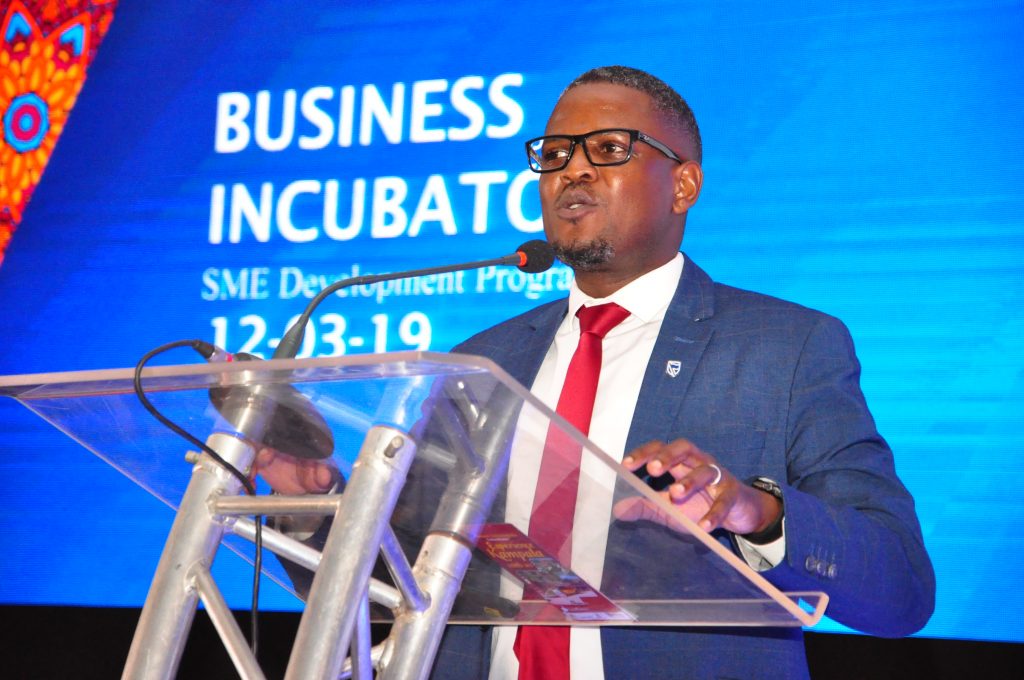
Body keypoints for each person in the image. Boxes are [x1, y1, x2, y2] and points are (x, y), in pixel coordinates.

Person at [261, 65, 935, 679]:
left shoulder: (786, 347)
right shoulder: (482, 363)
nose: (571, 172)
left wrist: (751, 511)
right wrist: (307, 506)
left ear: (684, 183)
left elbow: (902, 588)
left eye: (608, 149)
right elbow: (398, 585)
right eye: (554, 155)